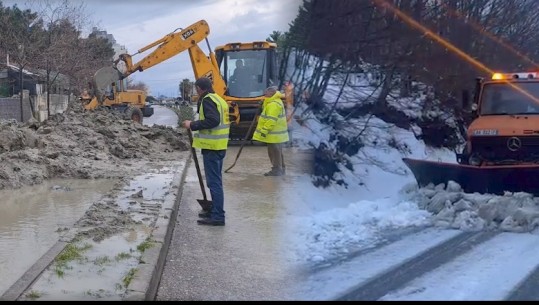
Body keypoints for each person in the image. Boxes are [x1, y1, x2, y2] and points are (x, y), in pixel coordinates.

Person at [182, 77, 230, 226]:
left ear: (199, 88)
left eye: (196, 89)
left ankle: (217, 216)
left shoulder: (208, 100)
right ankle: (215, 210)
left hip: (212, 148)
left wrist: (192, 124)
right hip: (219, 146)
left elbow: (213, 120)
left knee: (214, 183)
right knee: (216, 182)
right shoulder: (218, 99)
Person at [252, 86, 289, 176]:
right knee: (277, 152)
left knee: (274, 152)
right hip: (276, 135)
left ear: (271, 94)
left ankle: (277, 170)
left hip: (274, 134)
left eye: (266, 94)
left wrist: (263, 131)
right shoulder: (273, 102)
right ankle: (281, 169)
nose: (264, 95)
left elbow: (271, 120)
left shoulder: (273, 104)